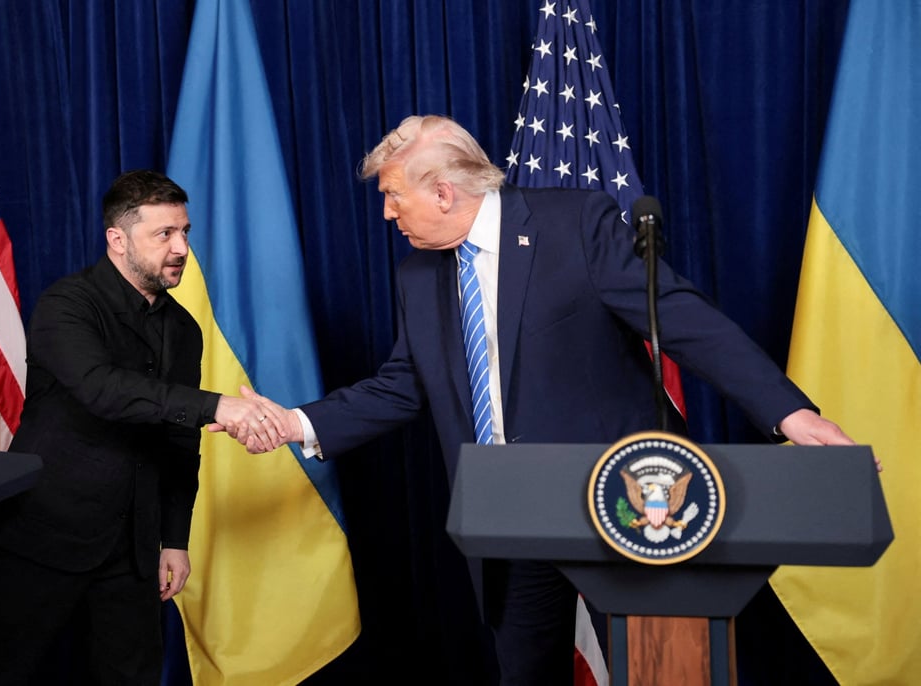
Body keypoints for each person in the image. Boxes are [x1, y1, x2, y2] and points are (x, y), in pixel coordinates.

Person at [232, 115, 861, 685]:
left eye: (394, 196)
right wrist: (293, 422)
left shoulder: (575, 223)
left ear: (443, 193)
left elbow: (681, 320)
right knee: (527, 674)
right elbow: (405, 383)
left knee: (660, 669)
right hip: (510, 514)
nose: (388, 214)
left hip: (626, 502)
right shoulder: (417, 275)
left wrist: (789, 413)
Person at [0, 170, 286, 685]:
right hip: (41, 535)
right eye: (164, 235)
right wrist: (217, 405)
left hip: (133, 549)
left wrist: (174, 538)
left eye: (185, 232)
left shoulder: (183, 329)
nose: (181, 248)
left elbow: (179, 443)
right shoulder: (67, 305)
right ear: (117, 239)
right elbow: (101, 390)